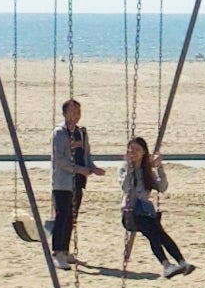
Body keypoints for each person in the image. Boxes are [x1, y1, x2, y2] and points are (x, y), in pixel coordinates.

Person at [120, 137, 194, 278]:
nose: (133, 152)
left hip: (146, 212)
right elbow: (125, 187)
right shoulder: (124, 168)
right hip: (131, 214)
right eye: (131, 149)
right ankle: (166, 265)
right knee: (154, 233)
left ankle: (181, 263)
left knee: (160, 234)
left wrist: (159, 167)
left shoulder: (147, 172)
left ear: (143, 153)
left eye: (137, 150)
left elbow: (162, 187)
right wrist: (131, 168)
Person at [49, 99, 107, 258]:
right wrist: (79, 169)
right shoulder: (59, 133)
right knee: (62, 215)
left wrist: (92, 168)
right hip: (63, 182)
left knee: (72, 216)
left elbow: (86, 155)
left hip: (78, 181)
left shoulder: (81, 132)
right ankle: (57, 251)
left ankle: (65, 250)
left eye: (78, 112)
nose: (76, 115)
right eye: (72, 111)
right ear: (65, 113)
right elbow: (59, 160)